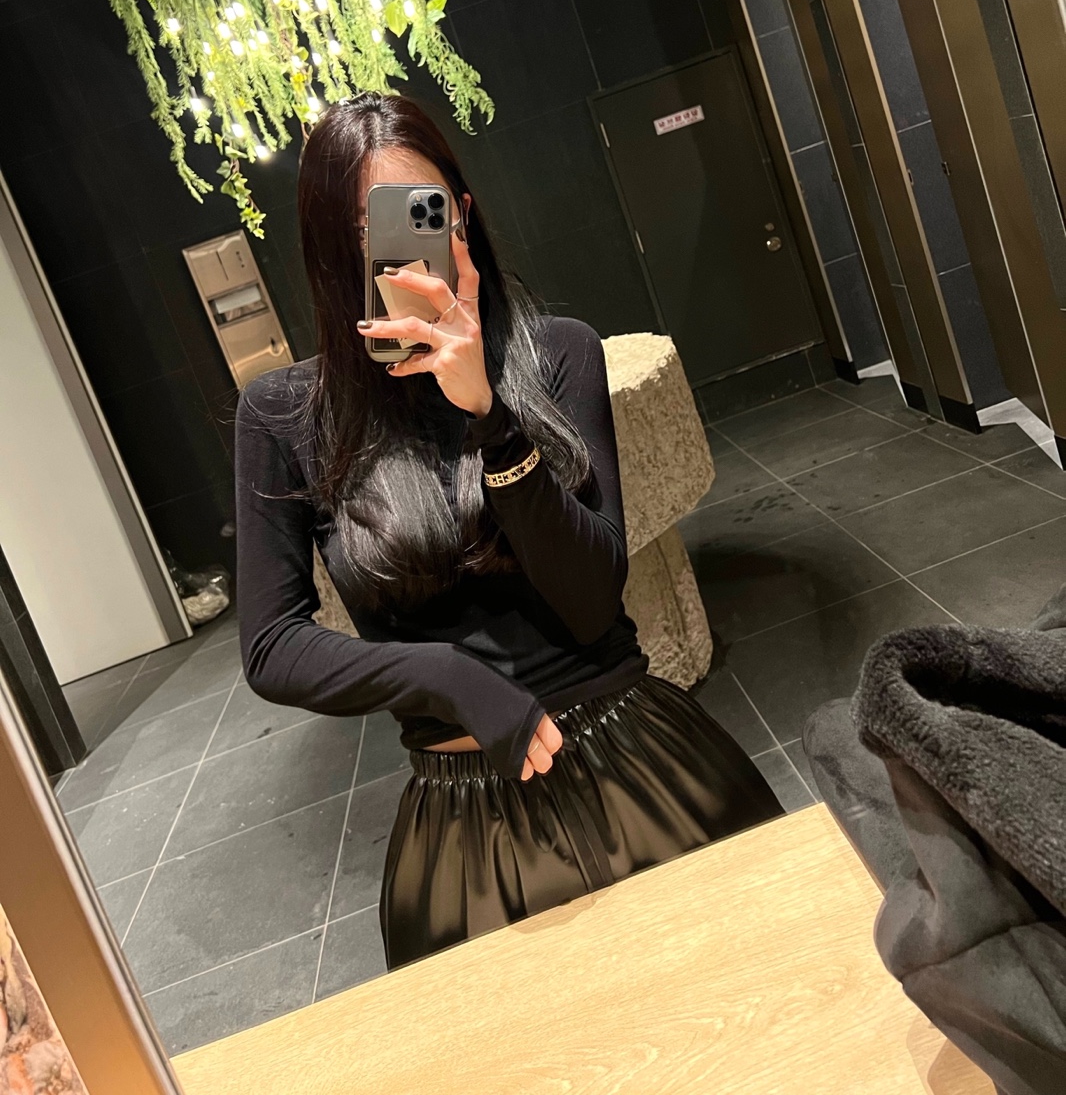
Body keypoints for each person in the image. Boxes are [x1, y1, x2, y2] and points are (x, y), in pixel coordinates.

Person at [234, 91, 782, 970]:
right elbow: (271, 645)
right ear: (330, 252)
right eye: (366, 230)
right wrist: (445, 677)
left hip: (636, 758)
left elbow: (592, 596)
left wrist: (491, 418)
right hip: (463, 826)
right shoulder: (285, 414)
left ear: (461, 217)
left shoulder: (558, 352)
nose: (398, 253)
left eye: (420, 214)